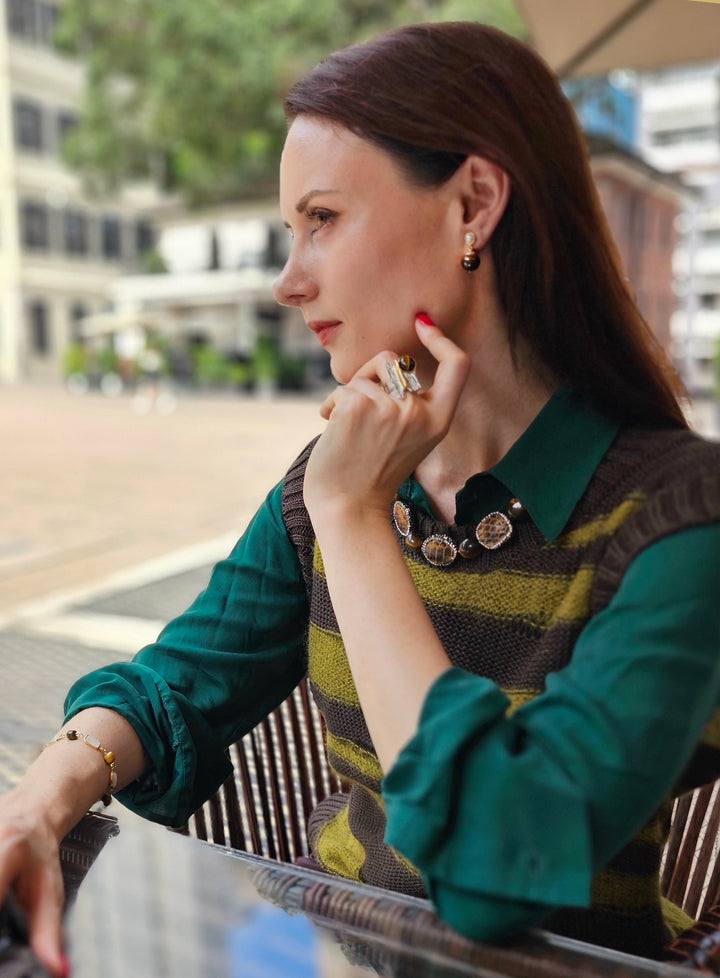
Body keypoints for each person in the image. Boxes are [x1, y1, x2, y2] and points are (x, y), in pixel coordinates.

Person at [2, 21, 720, 977]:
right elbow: (178, 676)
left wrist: (354, 517)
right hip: (320, 951)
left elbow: (496, 868)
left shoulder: (679, 519)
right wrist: (40, 801)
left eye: (322, 220)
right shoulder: (328, 481)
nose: (287, 282)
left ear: (474, 202)